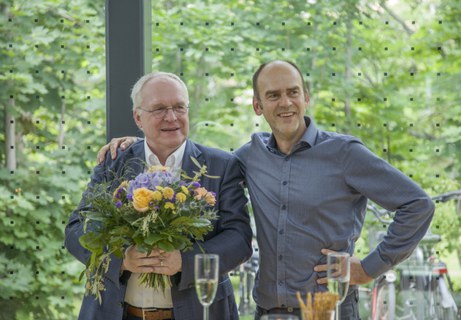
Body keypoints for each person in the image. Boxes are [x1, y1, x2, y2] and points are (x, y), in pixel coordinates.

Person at [98, 60, 435, 319]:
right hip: (268, 311)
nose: (285, 102)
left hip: (327, 308)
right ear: (258, 106)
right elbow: (200, 168)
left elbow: (418, 205)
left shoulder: (345, 154)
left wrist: (368, 267)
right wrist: (135, 144)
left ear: (306, 97)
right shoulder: (247, 157)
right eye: (273, 95)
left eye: (292, 92)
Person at [65, 72, 253, 320]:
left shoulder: (222, 165)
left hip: (200, 312)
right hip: (116, 312)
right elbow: (76, 229)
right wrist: (121, 259)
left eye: (179, 107)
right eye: (159, 109)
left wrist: (186, 262)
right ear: (138, 117)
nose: (171, 117)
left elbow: (239, 239)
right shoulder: (114, 161)